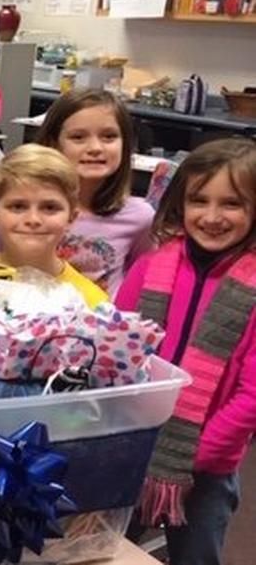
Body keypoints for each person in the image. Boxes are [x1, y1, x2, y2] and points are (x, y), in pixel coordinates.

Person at [114, 138, 256, 565]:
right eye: (199, 200)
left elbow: (251, 397)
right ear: (181, 203)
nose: (212, 217)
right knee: (102, 545)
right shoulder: (150, 265)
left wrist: (191, 457)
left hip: (208, 466)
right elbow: (117, 348)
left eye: (231, 204)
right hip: (134, 445)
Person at [34, 88, 154, 294]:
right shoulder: (24, 207)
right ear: (53, 144)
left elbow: (141, 282)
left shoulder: (141, 216)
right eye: (78, 137)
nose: (95, 147)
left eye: (109, 136)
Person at [0, 144, 107, 308]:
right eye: (18, 206)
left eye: (50, 207)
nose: (33, 219)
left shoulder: (91, 302)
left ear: (71, 217)